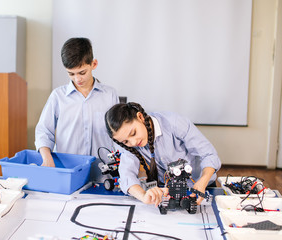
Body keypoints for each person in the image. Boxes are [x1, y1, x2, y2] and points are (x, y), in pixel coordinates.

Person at [105, 102, 221, 206]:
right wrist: (143, 196)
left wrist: (203, 181)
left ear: (140, 117)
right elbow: (127, 176)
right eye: (126, 141)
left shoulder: (173, 122)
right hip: (169, 192)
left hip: (202, 186)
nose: (133, 142)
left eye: (133, 133)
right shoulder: (127, 144)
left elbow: (209, 155)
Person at [35, 38, 119, 175]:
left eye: (82, 72)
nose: (77, 79)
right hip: (67, 173)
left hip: (103, 174)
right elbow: (43, 131)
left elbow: (120, 135)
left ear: (94, 64)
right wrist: (47, 157)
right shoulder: (58, 96)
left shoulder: (109, 95)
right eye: (71, 74)